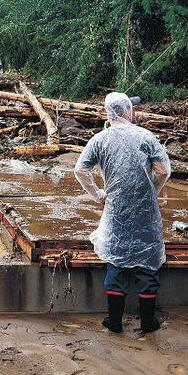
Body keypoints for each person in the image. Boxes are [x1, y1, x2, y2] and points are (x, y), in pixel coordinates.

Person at [74, 92, 171, 334]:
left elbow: (80, 169)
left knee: (116, 261)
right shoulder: (146, 137)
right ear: (127, 111)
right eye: (132, 108)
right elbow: (162, 171)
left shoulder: (100, 140)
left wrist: (98, 195)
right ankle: (148, 322)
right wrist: (151, 193)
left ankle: (114, 321)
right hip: (145, 210)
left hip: (116, 208)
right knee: (148, 263)